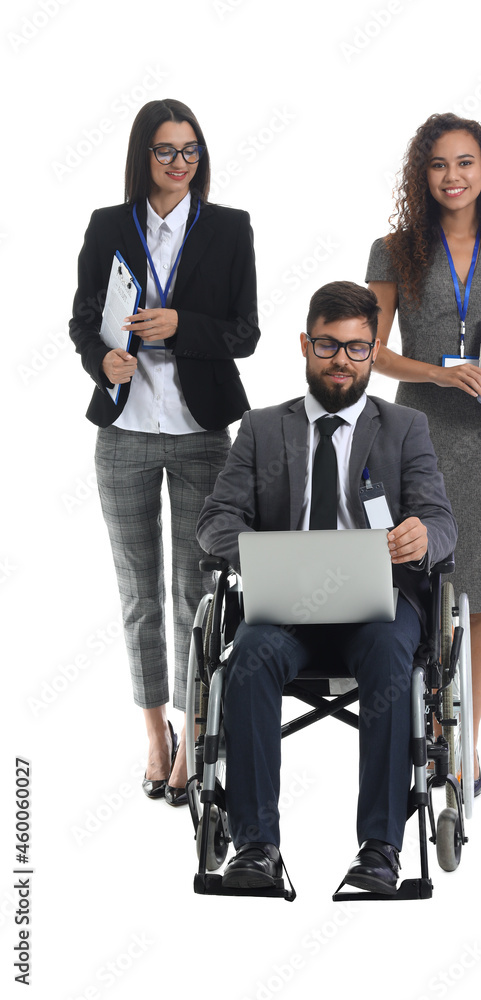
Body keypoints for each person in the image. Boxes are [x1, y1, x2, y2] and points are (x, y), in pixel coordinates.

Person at [197, 281, 456, 894]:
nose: (342, 360)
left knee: (393, 653)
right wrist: (265, 553)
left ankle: (381, 849)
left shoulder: (405, 426)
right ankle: (254, 848)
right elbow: (215, 522)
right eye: (328, 345)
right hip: (286, 608)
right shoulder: (261, 429)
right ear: (306, 346)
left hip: (379, 607)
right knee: (250, 658)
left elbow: (442, 520)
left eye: (357, 349)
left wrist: (422, 536)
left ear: (373, 351)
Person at [69, 99, 260, 806]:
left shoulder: (230, 228)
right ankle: (156, 735)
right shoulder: (109, 226)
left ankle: (194, 731)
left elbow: (245, 333)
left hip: (203, 434)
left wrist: (181, 326)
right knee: (136, 593)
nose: (179, 164)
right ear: (141, 156)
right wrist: (103, 360)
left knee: (196, 594)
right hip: (122, 433)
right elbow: (84, 320)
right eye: (164, 151)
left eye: (190, 151)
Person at [365, 113, 481, 794]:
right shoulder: (395, 250)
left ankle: (465, 737)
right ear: (423, 174)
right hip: (420, 436)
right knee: (421, 580)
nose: (453, 177)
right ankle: (430, 725)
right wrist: (437, 373)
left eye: (465, 163)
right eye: (439, 164)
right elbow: (371, 352)